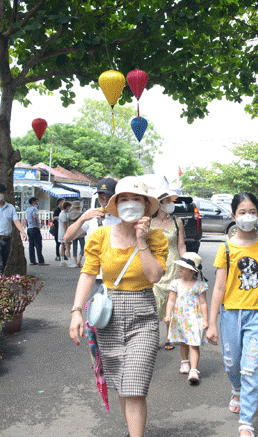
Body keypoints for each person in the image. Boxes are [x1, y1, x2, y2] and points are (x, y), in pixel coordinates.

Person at [69, 176, 167, 437]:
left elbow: (155, 276)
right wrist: (76, 311)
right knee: (121, 384)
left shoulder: (157, 238)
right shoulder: (100, 236)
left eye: (137, 198)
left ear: (146, 206)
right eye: (124, 198)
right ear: (116, 204)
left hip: (143, 316)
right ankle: (133, 431)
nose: (130, 203)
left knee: (135, 386)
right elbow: (88, 273)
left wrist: (142, 241)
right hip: (108, 317)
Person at [206, 192, 258, 437]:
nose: (247, 216)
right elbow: (219, 287)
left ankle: (246, 421)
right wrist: (212, 323)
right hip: (230, 314)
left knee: (250, 367)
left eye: (252, 212)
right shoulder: (226, 249)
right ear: (233, 216)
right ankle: (236, 389)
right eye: (242, 212)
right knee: (232, 363)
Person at [164, 252, 208, 384]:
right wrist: (168, 314)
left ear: (192, 270)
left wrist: (205, 320)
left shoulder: (199, 285)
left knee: (194, 344)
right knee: (183, 342)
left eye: (183, 267)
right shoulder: (175, 283)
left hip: (194, 319)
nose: (180, 269)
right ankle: (184, 362)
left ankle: (194, 370)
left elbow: (203, 303)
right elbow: (171, 301)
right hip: (180, 319)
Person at [151, 190, 186, 351]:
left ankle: (168, 337)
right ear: (158, 204)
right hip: (155, 265)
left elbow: (181, 245)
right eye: (166, 201)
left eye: (171, 200)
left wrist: (186, 264)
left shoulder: (177, 221)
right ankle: (152, 337)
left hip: (173, 264)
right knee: (154, 302)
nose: (170, 204)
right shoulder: (149, 222)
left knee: (172, 302)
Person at [64, 178, 120, 243]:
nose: (105, 203)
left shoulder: (123, 216)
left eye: (108, 198)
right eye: (101, 198)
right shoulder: (91, 215)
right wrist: (82, 219)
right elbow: (67, 238)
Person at [25, 197, 48, 266]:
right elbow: (35, 217)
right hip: (34, 228)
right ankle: (41, 261)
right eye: (36, 201)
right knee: (38, 245)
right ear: (33, 202)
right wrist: (37, 226)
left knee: (31, 245)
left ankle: (33, 260)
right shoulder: (34, 209)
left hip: (29, 228)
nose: (37, 203)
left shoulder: (27, 209)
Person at [68, 201, 85, 268]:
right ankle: (79, 261)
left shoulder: (69, 214)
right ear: (79, 207)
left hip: (73, 232)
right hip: (81, 232)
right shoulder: (81, 214)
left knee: (74, 247)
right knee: (82, 247)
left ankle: (75, 262)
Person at [58, 201, 72, 267]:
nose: (70, 208)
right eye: (69, 207)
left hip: (61, 232)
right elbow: (64, 224)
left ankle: (62, 261)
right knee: (67, 247)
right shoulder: (63, 214)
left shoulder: (62, 213)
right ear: (67, 207)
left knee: (62, 247)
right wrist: (67, 232)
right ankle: (69, 262)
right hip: (64, 232)